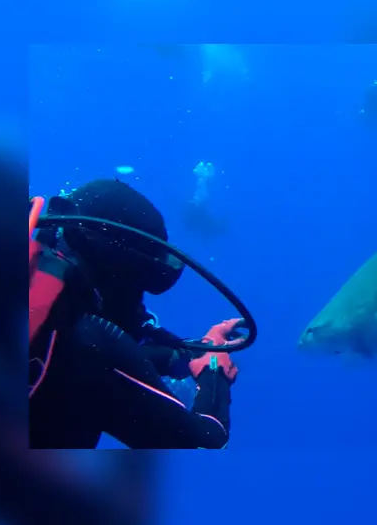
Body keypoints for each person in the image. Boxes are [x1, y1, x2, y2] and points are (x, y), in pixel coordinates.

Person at [29, 179, 247, 449]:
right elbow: (204, 444)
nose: (138, 305)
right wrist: (214, 370)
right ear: (117, 275)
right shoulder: (88, 345)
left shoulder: (40, 308)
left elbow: (102, 360)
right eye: (138, 285)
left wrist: (185, 354)